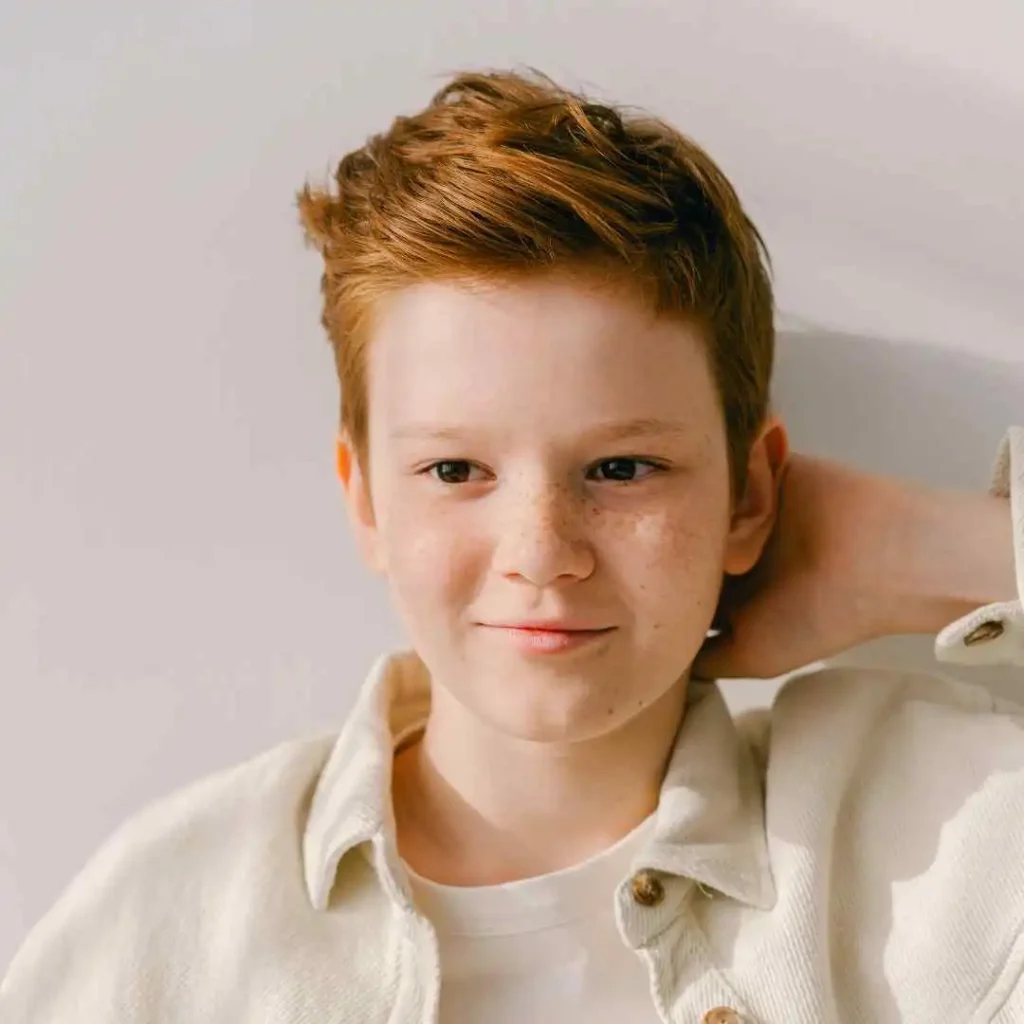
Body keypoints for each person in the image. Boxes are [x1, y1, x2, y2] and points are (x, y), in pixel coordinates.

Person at [2, 67, 1022, 1024]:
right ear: (363, 500)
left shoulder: (932, 827)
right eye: (455, 471)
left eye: (621, 469)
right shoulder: (173, 915)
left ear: (748, 491)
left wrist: (940, 552)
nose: (541, 553)